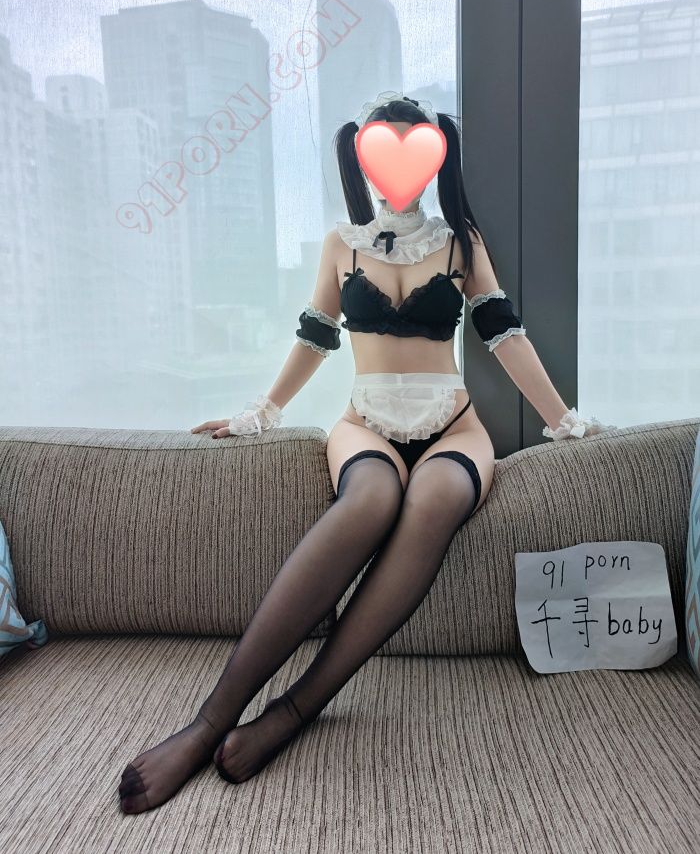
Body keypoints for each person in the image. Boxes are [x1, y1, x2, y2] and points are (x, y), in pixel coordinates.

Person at [118, 91, 612, 815]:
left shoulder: (460, 241)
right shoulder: (341, 243)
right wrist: (260, 413)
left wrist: (564, 421)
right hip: (367, 424)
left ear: (434, 159)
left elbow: (504, 335)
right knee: (371, 501)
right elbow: (316, 336)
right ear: (365, 158)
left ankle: (295, 709)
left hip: (453, 426)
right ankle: (208, 724)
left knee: (435, 499)